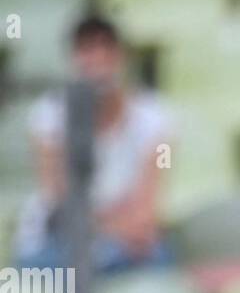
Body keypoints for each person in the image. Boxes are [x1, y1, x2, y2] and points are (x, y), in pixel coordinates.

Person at [17, 14, 174, 272]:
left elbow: (148, 206)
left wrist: (122, 227)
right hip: (57, 242)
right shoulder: (46, 117)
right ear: (73, 59)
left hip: (127, 242)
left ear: (122, 57)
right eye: (86, 49)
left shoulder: (157, 120)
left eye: (105, 48)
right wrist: (116, 225)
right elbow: (60, 200)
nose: (97, 59)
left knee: (159, 263)